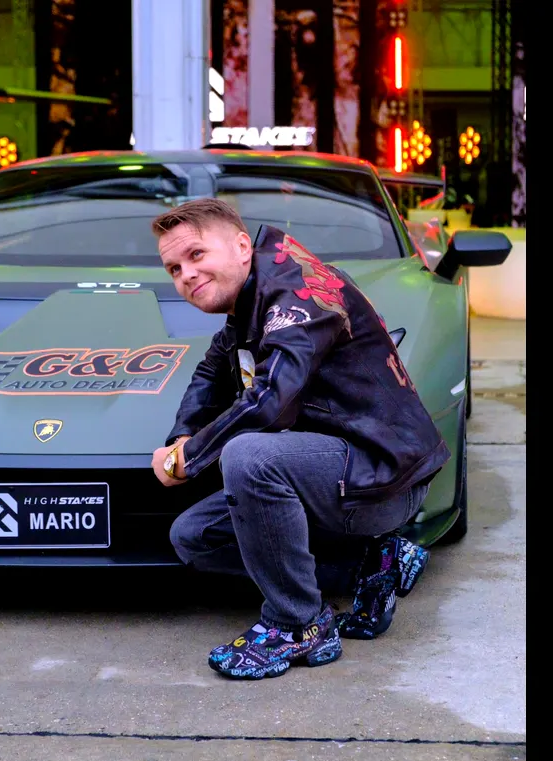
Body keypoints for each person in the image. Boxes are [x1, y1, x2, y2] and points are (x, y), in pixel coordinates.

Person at [148, 198, 448, 680]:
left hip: (382, 475)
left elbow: (269, 399)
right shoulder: (254, 294)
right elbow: (211, 372)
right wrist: (180, 437)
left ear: (241, 246)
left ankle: (299, 625)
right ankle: (371, 563)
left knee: (249, 457)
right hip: (336, 470)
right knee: (195, 537)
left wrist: (189, 457)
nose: (186, 274)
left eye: (196, 254)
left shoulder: (296, 296)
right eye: (174, 268)